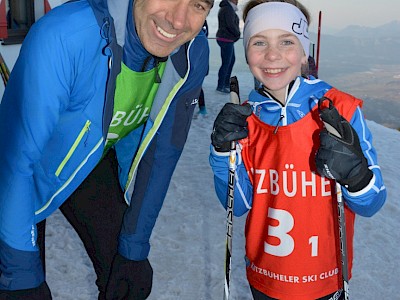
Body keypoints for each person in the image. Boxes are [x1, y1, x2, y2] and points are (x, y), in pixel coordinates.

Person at [0, 0, 213, 299]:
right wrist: (20, 272)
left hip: (85, 159)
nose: (178, 21)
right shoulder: (67, 35)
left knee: (129, 282)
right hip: (15, 170)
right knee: (19, 282)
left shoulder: (191, 52)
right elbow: (15, 159)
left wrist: (134, 247)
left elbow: (162, 153)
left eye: (198, 5)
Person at [209, 1, 386, 299]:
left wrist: (356, 175)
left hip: (324, 279)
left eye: (287, 42)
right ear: (247, 51)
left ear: (304, 51)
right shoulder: (245, 118)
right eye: (259, 41)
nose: (272, 55)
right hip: (265, 278)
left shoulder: (338, 110)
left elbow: (371, 203)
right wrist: (221, 153)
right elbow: (237, 204)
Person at [215, 0, 240, 93]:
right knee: (227, 63)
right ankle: (221, 85)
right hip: (226, 39)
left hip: (226, 38)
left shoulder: (227, 8)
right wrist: (237, 34)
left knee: (230, 61)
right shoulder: (228, 9)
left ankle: (224, 84)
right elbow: (230, 24)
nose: (237, 1)